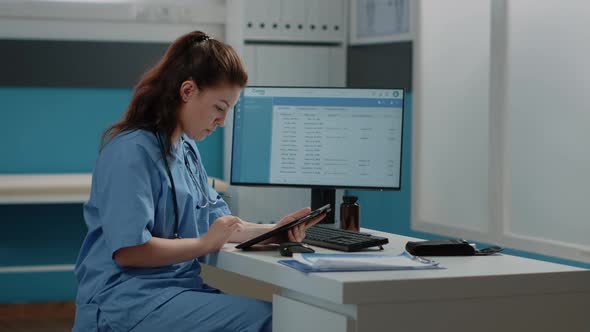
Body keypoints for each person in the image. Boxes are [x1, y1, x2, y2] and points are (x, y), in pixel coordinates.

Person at [73, 31, 324, 332]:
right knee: (271, 319)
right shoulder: (130, 153)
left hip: (175, 291)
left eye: (228, 111)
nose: (222, 121)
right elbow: (129, 252)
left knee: (278, 313)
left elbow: (218, 224)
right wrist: (204, 244)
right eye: (219, 108)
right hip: (126, 300)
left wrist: (274, 231)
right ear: (188, 90)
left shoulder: (187, 149)